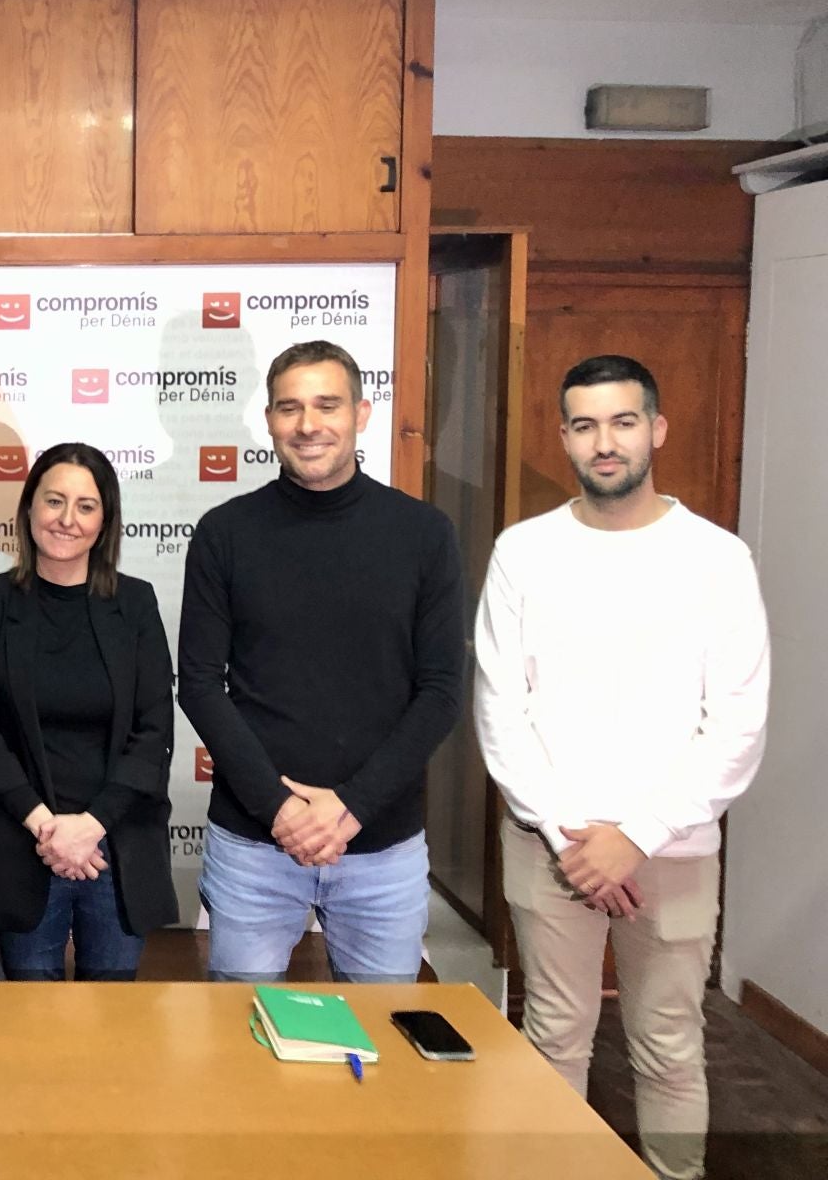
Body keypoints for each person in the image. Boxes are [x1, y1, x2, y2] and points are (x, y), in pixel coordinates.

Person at [474, 355, 768, 1180]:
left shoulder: (716, 559)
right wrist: (576, 836)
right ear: (565, 436)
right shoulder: (523, 552)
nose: (605, 443)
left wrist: (632, 837)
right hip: (551, 845)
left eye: (623, 422)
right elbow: (501, 709)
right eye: (585, 425)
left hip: (670, 850)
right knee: (554, 1040)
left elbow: (737, 724)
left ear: (657, 429)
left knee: (671, 1049)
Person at [177, 339, 463, 983]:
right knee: (240, 1038)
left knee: (384, 1044)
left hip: (382, 848)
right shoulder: (225, 533)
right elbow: (199, 685)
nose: (308, 425)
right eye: (290, 408)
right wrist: (280, 810)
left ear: (362, 413)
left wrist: (351, 807)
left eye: (327, 405)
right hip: (253, 845)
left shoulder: (424, 534)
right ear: (270, 420)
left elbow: (442, 690)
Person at [0, 442, 177, 980]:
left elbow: (154, 734)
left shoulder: (136, 603)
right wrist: (49, 829)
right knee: (28, 1025)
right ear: (29, 509)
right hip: (22, 840)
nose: (67, 519)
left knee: (113, 1022)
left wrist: (91, 827)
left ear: (105, 522)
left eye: (85, 506)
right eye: (54, 501)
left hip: (115, 845)